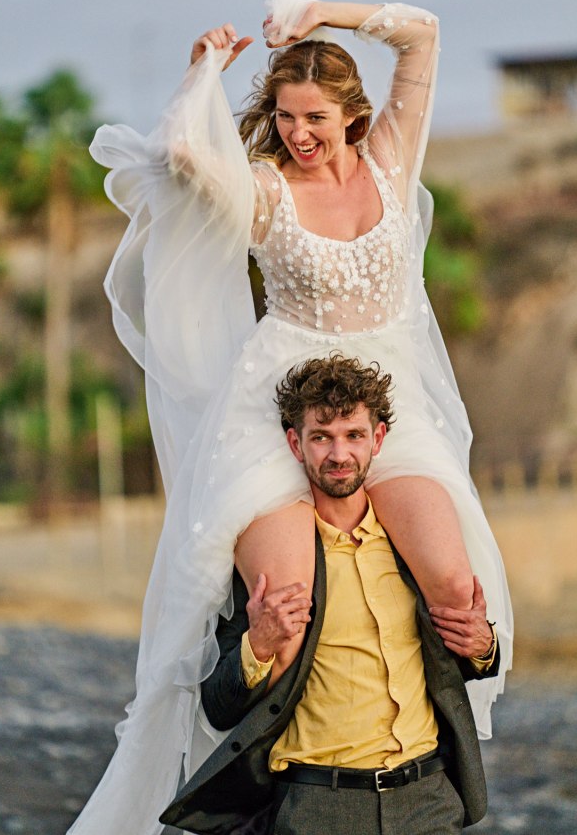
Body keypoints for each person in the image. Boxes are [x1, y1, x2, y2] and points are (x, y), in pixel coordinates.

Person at [68, 0, 512, 835]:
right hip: (282, 404)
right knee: (287, 601)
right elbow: (179, 158)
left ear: (351, 114)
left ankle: (418, 763)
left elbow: (422, 34)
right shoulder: (266, 188)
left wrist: (319, 13)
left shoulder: (390, 158)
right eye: (283, 116)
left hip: (389, 410)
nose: (299, 132)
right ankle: (269, 784)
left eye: (314, 117)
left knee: (457, 583)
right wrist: (204, 70)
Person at [161, 354, 500, 835]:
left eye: (353, 435)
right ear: (295, 444)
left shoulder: (415, 552)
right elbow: (219, 705)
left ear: (377, 439)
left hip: (427, 800)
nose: (339, 454)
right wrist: (258, 645)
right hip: (318, 807)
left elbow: (465, 661)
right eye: (322, 437)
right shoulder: (270, 565)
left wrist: (484, 647)